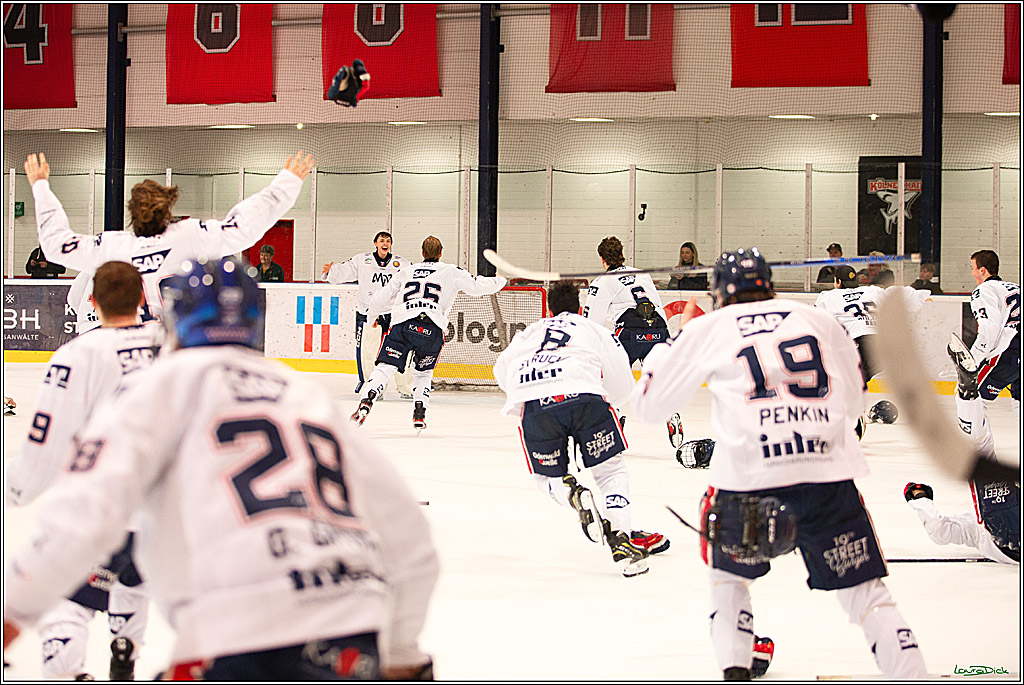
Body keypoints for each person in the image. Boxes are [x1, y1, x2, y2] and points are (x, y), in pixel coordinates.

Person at [2, 257, 439, 681]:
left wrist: (12, 612)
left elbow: (83, 517)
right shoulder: (307, 396)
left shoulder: (155, 387)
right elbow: (413, 542)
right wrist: (400, 653)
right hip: (352, 633)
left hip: (238, 638)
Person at [631, 248, 926, 680]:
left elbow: (649, 408)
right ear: (768, 284)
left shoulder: (710, 327)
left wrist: (675, 340)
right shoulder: (818, 320)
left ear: (719, 292)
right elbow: (853, 403)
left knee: (729, 582)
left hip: (748, 479)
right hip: (827, 478)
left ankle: (735, 669)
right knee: (869, 597)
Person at [5, 261, 161, 680]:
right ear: (142, 299)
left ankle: (68, 672)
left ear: (91, 302)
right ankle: (125, 647)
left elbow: (47, 439)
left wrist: (16, 490)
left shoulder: (78, 354)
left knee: (68, 600)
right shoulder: (168, 343)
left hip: (101, 504)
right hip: (162, 509)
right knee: (133, 576)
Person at [492, 280, 669, 577]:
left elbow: (501, 369)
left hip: (536, 402)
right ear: (579, 307)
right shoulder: (595, 330)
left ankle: (570, 492)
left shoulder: (529, 333)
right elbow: (623, 382)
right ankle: (623, 543)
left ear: (549, 308)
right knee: (611, 472)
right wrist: (599, 400)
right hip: (585, 396)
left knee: (546, 477)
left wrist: (530, 394)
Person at [24, 150, 313, 318]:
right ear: (168, 210)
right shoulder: (188, 235)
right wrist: (284, 185)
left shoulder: (115, 247)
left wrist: (40, 187)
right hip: (183, 352)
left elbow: (56, 245)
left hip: (133, 356)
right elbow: (243, 227)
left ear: (132, 214)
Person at [351, 236, 506, 432]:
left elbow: (381, 297)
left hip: (403, 325)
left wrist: (372, 317)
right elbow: (477, 287)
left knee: (385, 367)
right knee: (423, 373)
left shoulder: (406, 271)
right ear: (441, 253)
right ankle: (419, 413)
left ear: (422, 254)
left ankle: (367, 401)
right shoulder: (451, 271)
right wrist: (500, 280)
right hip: (431, 328)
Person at [814, 265, 931, 434]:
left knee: (834, 383)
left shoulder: (828, 296)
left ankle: (849, 420)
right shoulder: (873, 291)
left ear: (837, 282)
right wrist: (922, 296)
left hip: (856, 345)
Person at [946, 249, 1020, 460]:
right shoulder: (1015, 288)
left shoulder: (984, 290)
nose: (971, 273)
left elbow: (989, 329)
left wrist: (973, 362)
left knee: (967, 394)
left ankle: (979, 456)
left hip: (1007, 353)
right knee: (1019, 400)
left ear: (983, 270)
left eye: (972, 268)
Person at [322, 232, 413, 396]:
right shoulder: (361, 260)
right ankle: (373, 388)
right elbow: (345, 270)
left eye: (388, 241)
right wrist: (331, 272)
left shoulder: (402, 263)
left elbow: (412, 280)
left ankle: (406, 388)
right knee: (368, 353)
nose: (385, 243)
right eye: (381, 241)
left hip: (393, 313)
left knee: (401, 350)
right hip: (368, 313)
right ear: (375, 243)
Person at [904, 482, 1018, 564]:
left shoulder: (977, 530)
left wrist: (921, 500)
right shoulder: (977, 529)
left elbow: (939, 530)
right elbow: (940, 530)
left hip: (1001, 537)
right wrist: (921, 500)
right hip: (1001, 536)